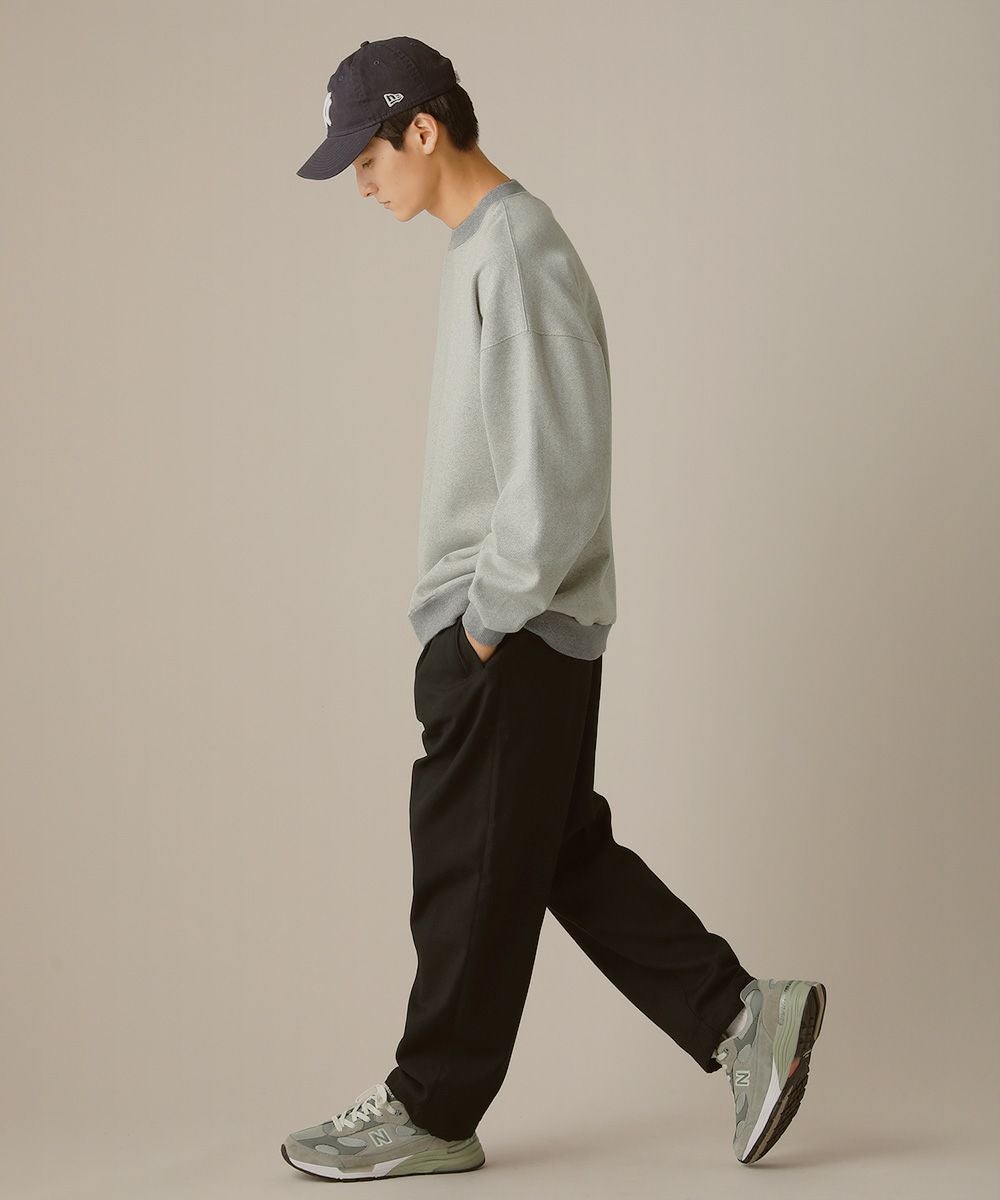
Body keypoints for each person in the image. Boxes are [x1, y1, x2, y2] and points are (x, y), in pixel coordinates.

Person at [282, 36, 827, 1183]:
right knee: (553, 852)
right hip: (516, 627)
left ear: (422, 129)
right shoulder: (487, 249)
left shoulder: (515, 251)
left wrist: (480, 623)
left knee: (467, 872)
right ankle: (742, 1017)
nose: (361, 182)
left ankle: (432, 1107)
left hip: (510, 629)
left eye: (367, 157)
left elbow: (558, 477)